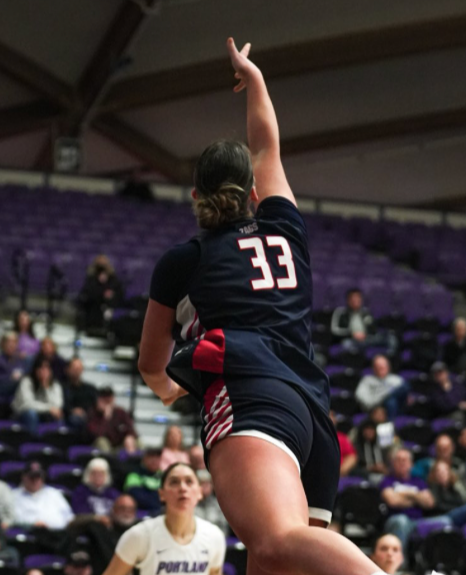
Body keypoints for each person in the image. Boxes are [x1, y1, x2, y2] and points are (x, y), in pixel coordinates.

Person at [135, 38, 386, 575]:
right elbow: (269, 148)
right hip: (312, 415)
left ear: (196, 198)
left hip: (250, 398)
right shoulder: (285, 227)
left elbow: (151, 366)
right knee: (276, 566)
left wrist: (175, 389)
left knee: (274, 543)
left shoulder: (183, 260)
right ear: (253, 193)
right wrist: (256, 80)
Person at [101, 463, 225, 575]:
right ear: (161, 494)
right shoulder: (139, 536)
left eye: (189, 481)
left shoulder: (214, 537)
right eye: (174, 482)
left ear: (199, 492)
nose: (182, 488)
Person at [381, 447, 435, 547]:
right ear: (393, 464)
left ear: (411, 464)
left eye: (405, 460)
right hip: (395, 519)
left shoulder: (419, 482)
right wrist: (417, 498)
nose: (402, 463)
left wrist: (406, 494)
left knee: (445, 522)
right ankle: (400, 561)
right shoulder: (387, 481)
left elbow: (429, 503)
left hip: (417, 522)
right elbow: (392, 501)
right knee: (402, 520)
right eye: (398, 460)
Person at [12, 461, 74, 530]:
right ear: (24, 477)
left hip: (59, 535)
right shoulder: (14, 495)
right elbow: (12, 519)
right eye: (32, 477)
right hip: (30, 534)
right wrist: (32, 524)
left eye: (38, 477)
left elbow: (69, 517)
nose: (35, 480)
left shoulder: (54, 493)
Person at [11, 356, 64, 436]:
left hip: (44, 414)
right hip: (21, 413)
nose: (44, 372)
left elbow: (57, 405)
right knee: (31, 413)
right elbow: (27, 404)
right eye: (41, 368)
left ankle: (56, 443)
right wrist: (49, 408)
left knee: (58, 415)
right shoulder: (26, 381)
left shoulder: (55, 385)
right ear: (35, 370)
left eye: (46, 368)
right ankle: (33, 442)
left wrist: (46, 388)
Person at [79, 255, 126, 333]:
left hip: (110, 306)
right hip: (93, 307)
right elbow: (87, 294)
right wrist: (101, 288)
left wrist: (110, 294)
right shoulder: (91, 278)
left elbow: (119, 294)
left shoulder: (113, 279)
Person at [87, 386, 138, 452]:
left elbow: (132, 430)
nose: (107, 401)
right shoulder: (92, 413)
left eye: (109, 398)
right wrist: (106, 418)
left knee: (139, 442)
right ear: (99, 399)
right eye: (104, 399)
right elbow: (96, 435)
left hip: (119, 444)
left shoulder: (120, 412)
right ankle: (109, 461)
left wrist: (129, 436)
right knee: (102, 441)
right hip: (100, 445)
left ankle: (136, 461)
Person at [124, 449, 163, 514]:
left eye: (157, 457)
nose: (154, 460)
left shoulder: (163, 476)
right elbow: (138, 498)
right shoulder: (134, 475)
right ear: (144, 459)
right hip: (140, 514)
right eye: (151, 457)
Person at [62, 358, 97, 429]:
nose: (76, 371)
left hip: (88, 416)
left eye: (79, 368)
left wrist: (85, 412)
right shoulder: (61, 387)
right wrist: (72, 410)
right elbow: (59, 405)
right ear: (67, 370)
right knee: (75, 419)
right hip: (68, 417)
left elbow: (96, 404)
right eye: (74, 368)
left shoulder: (90, 388)